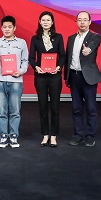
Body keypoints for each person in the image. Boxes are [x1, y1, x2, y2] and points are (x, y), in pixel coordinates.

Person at [65, 11, 101, 147]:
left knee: (91, 108)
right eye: (79, 20)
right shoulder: (71, 38)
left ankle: (90, 136)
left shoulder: (95, 36)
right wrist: (67, 77)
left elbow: (94, 45)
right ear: (76, 21)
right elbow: (68, 58)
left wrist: (89, 50)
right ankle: (78, 135)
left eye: (85, 20)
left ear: (89, 22)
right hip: (74, 76)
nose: (82, 22)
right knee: (76, 108)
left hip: (88, 77)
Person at [29, 11, 65, 147]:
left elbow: (62, 55)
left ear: (52, 22)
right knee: (42, 107)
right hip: (41, 77)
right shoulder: (35, 38)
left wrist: (59, 67)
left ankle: (54, 135)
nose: (45, 22)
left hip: (55, 76)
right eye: (43, 20)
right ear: (39, 22)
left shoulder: (58, 37)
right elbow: (31, 57)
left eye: (48, 20)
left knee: (55, 107)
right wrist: (36, 67)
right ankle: (45, 135)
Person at [0, 15, 29, 148]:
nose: (7, 29)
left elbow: (25, 60)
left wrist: (21, 71)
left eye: (9, 27)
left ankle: (13, 135)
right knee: (1, 111)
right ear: (1, 28)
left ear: (14, 28)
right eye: (4, 27)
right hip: (0, 80)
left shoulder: (22, 43)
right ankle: (3, 136)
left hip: (16, 80)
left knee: (15, 110)